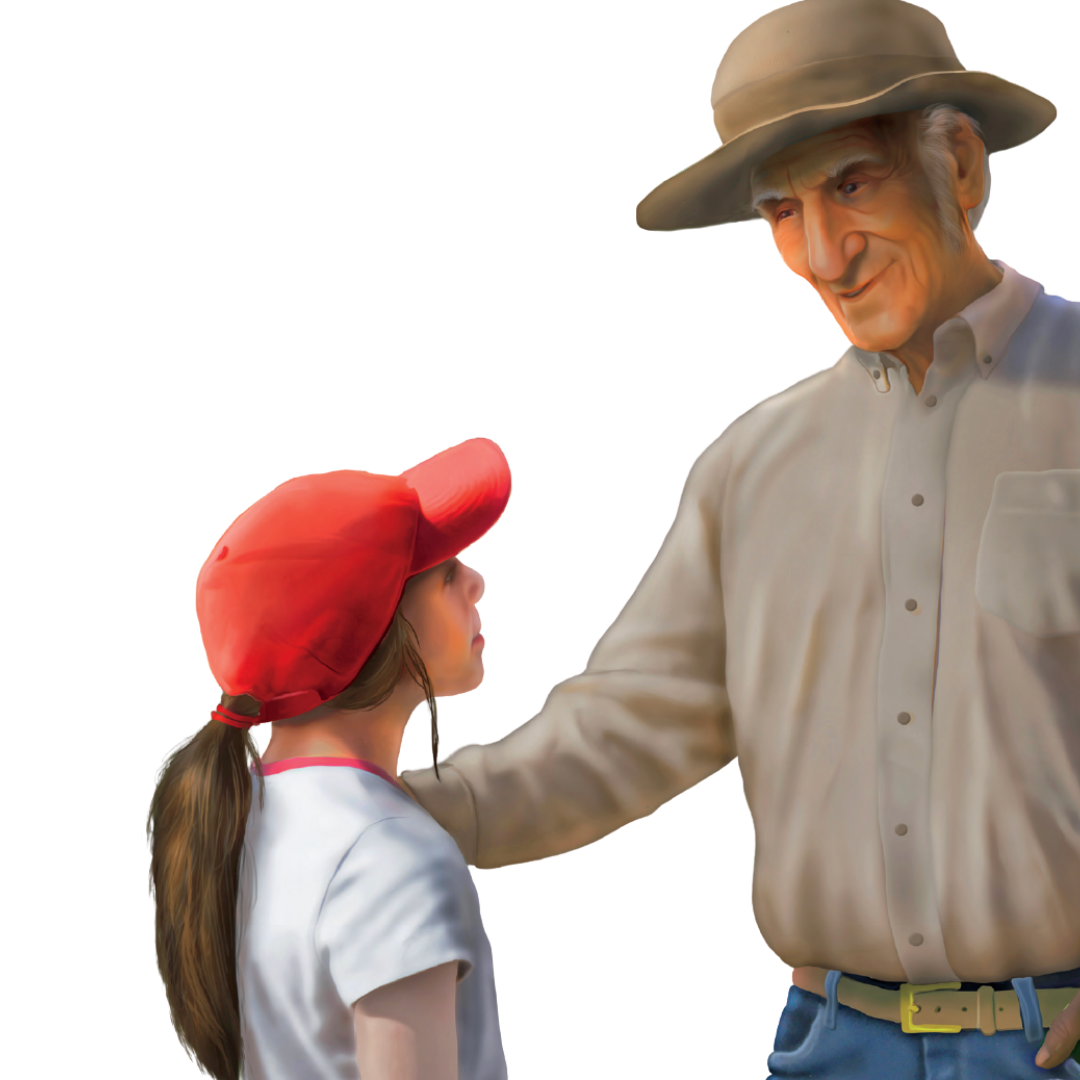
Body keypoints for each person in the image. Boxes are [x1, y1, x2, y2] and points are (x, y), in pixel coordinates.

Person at [408, 2, 1080, 1078]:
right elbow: (624, 730)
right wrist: (386, 817)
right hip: (828, 1044)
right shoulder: (750, 466)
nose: (822, 252)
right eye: (782, 211)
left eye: (852, 185)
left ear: (958, 165)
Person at [146, 439, 514, 1080]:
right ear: (377, 626)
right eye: (449, 572)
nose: (483, 582)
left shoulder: (243, 808)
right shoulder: (390, 853)